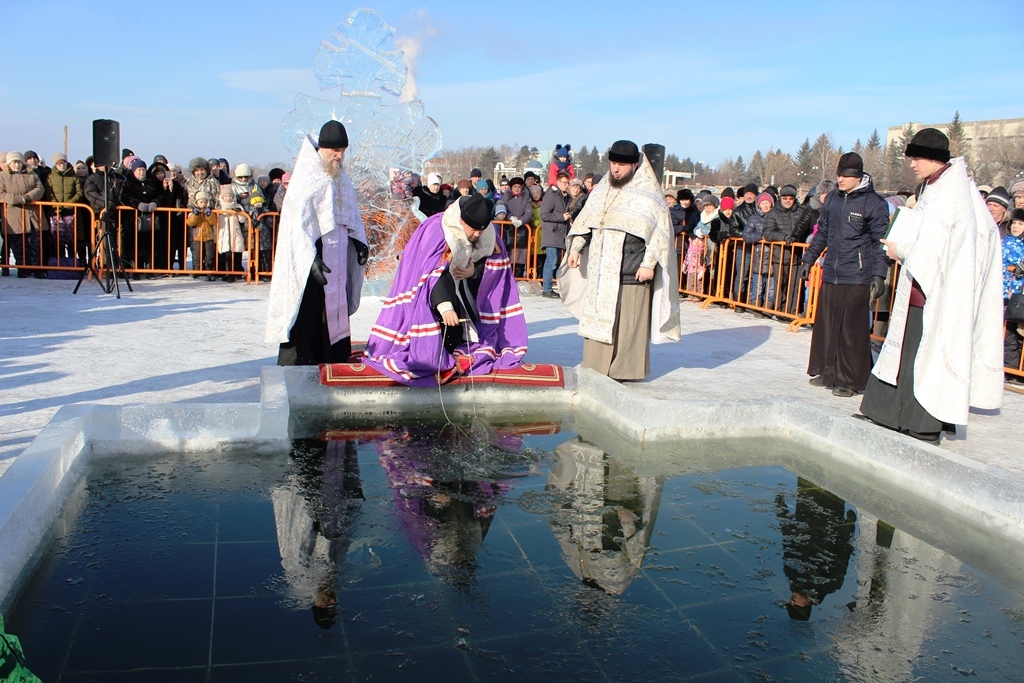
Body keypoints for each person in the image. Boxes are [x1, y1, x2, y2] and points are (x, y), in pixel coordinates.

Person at [859, 128, 1003, 441]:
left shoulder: (953, 195)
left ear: (936, 158)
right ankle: (889, 412)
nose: (912, 164)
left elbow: (943, 246)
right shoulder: (936, 187)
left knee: (925, 355)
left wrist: (903, 249)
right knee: (905, 352)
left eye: (918, 158)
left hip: (936, 293)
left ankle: (921, 422)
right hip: (919, 286)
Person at [362, 192, 528, 386]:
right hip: (438, 295)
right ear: (461, 220)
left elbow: (496, 267)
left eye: (481, 231)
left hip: (469, 293)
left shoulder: (488, 235)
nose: (476, 235)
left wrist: (475, 271)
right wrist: (445, 306)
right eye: (473, 230)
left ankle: (457, 349)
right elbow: (431, 274)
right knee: (441, 328)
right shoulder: (438, 230)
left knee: (460, 332)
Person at [559, 140, 680, 380]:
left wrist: (648, 264)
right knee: (598, 319)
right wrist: (575, 248)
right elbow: (586, 223)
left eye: (621, 165)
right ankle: (595, 367)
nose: (615, 170)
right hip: (601, 269)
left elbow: (660, 235)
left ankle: (625, 370)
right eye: (613, 164)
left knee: (628, 323)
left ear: (635, 165)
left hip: (632, 270)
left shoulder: (649, 194)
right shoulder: (602, 190)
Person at [265, 120, 368, 366]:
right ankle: (301, 366)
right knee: (308, 313)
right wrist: (310, 261)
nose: (339, 155)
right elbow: (296, 228)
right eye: (335, 150)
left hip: (338, 258)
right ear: (322, 148)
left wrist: (359, 242)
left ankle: (334, 361)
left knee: (333, 314)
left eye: (343, 150)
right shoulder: (306, 179)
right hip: (311, 261)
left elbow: (351, 215)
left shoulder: (341, 177)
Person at [797, 152, 889, 397]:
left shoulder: (874, 203)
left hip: (857, 274)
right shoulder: (834, 200)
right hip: (833, 271)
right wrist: (809, 259)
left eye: (846, 176)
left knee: (851, 330)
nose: (841, 180)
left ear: (858, 176)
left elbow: (880, 243)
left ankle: (849, 379)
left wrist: (879, 275)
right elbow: (822, 233)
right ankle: (826, 372)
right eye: (839, 175)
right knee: (826, 326)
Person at [0, 151, 45, 277]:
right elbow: (1, 193)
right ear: (9, 164)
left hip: (32, 213)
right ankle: (22, 268)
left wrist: (27, 197)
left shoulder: (32, 174)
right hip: (13, 214)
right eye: (14, 162)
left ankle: (37, 269)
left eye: (19, 162)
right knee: (18, 244)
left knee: (34, 244)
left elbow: (40, 189)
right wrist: (16, 199)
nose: (17, 165)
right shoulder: (2, 176)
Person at [540, 171, 571, 297]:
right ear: (558, 182)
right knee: (551, 261)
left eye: (568, 183)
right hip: (552, 233)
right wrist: (561, 217)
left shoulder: (564, 196)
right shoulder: (551, 195)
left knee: (553, 261)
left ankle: (548, 288)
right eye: (564, 183)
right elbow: (544, 214)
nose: (566, 185)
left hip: (559, 234)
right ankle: (547, 289)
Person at [1001, 208, 1024, 373]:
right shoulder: (1004, 242)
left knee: (1018, 331)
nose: (1016, 226)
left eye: (1021, 223)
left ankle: (1016, 367)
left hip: (1020, 294)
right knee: (1006, 331)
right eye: (1014, 222)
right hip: (1003, 291)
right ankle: (1008, 365)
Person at [185, 191, 217, 280]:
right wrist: (195, 215)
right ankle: (197, 271)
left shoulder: (210, 211)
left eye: (205, 202)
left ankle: (209, 271)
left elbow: (214, 222)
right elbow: (190, 223)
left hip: (208, 236)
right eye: (201, 202)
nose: (203, 204)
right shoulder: (193, 211)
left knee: (209, 255)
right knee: (197, 255)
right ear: (197, 202)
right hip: (197, 237)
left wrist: (209, 215)